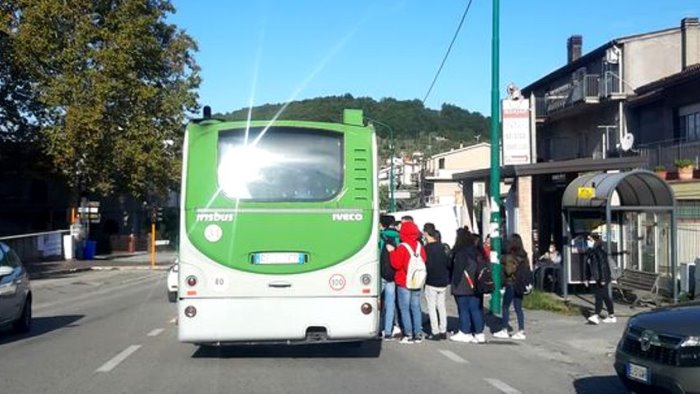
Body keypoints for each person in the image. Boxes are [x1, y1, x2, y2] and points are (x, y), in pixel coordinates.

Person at [387, 221, 426, 344]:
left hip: (404, 281)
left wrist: (391, 252)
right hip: (417, 280)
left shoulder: (403, 247)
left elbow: (396, 264)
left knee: (404, 308)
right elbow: (424, 259)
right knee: (416, 307)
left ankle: (408, 334)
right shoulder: (420, 246)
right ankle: (418, 333)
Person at [449, 233, 486, 344]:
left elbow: (457, 271)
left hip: (463, 286)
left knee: (463, 309)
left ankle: (464, 332)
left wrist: (454, 284)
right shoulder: (478, 252)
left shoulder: (461, 253)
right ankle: (479, 334)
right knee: (476, 309)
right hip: (476, 285)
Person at [493, 234, 529, 340]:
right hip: (520, 284)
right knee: (518, 307)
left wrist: (503, 261)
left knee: (505, 307)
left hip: (511, 283)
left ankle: (504, 329)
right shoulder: (524, 255)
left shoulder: (510, 256)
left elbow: (509, 271)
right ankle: (521, 331)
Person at [423, 227, 450, 340]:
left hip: (431, 280)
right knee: (441, 306)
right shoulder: (443, 247)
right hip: (443, 280)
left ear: (427, 235)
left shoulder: (426, 249)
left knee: (431, 307)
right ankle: (443, 330)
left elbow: (425, 263)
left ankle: (435, 332)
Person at [585, 233, 616, 324]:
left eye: (590, 240)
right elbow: (589, 266)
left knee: (599, 296)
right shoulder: (591, 252)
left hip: (603, 277)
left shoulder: (599, 252)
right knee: (605, 296)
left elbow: (602, 266)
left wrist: (602, 279)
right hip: (599, 278)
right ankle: (611, 316)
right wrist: (587, 278)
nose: (588, 242)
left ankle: (596, 315)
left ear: (595, 241)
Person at [379, 215, 401, 340]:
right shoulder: (398, 237)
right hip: (393, 274)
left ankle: (377, 328)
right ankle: (388, 331)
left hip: (381, 273)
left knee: (378, 303)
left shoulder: (380, 236)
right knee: (390, 303)